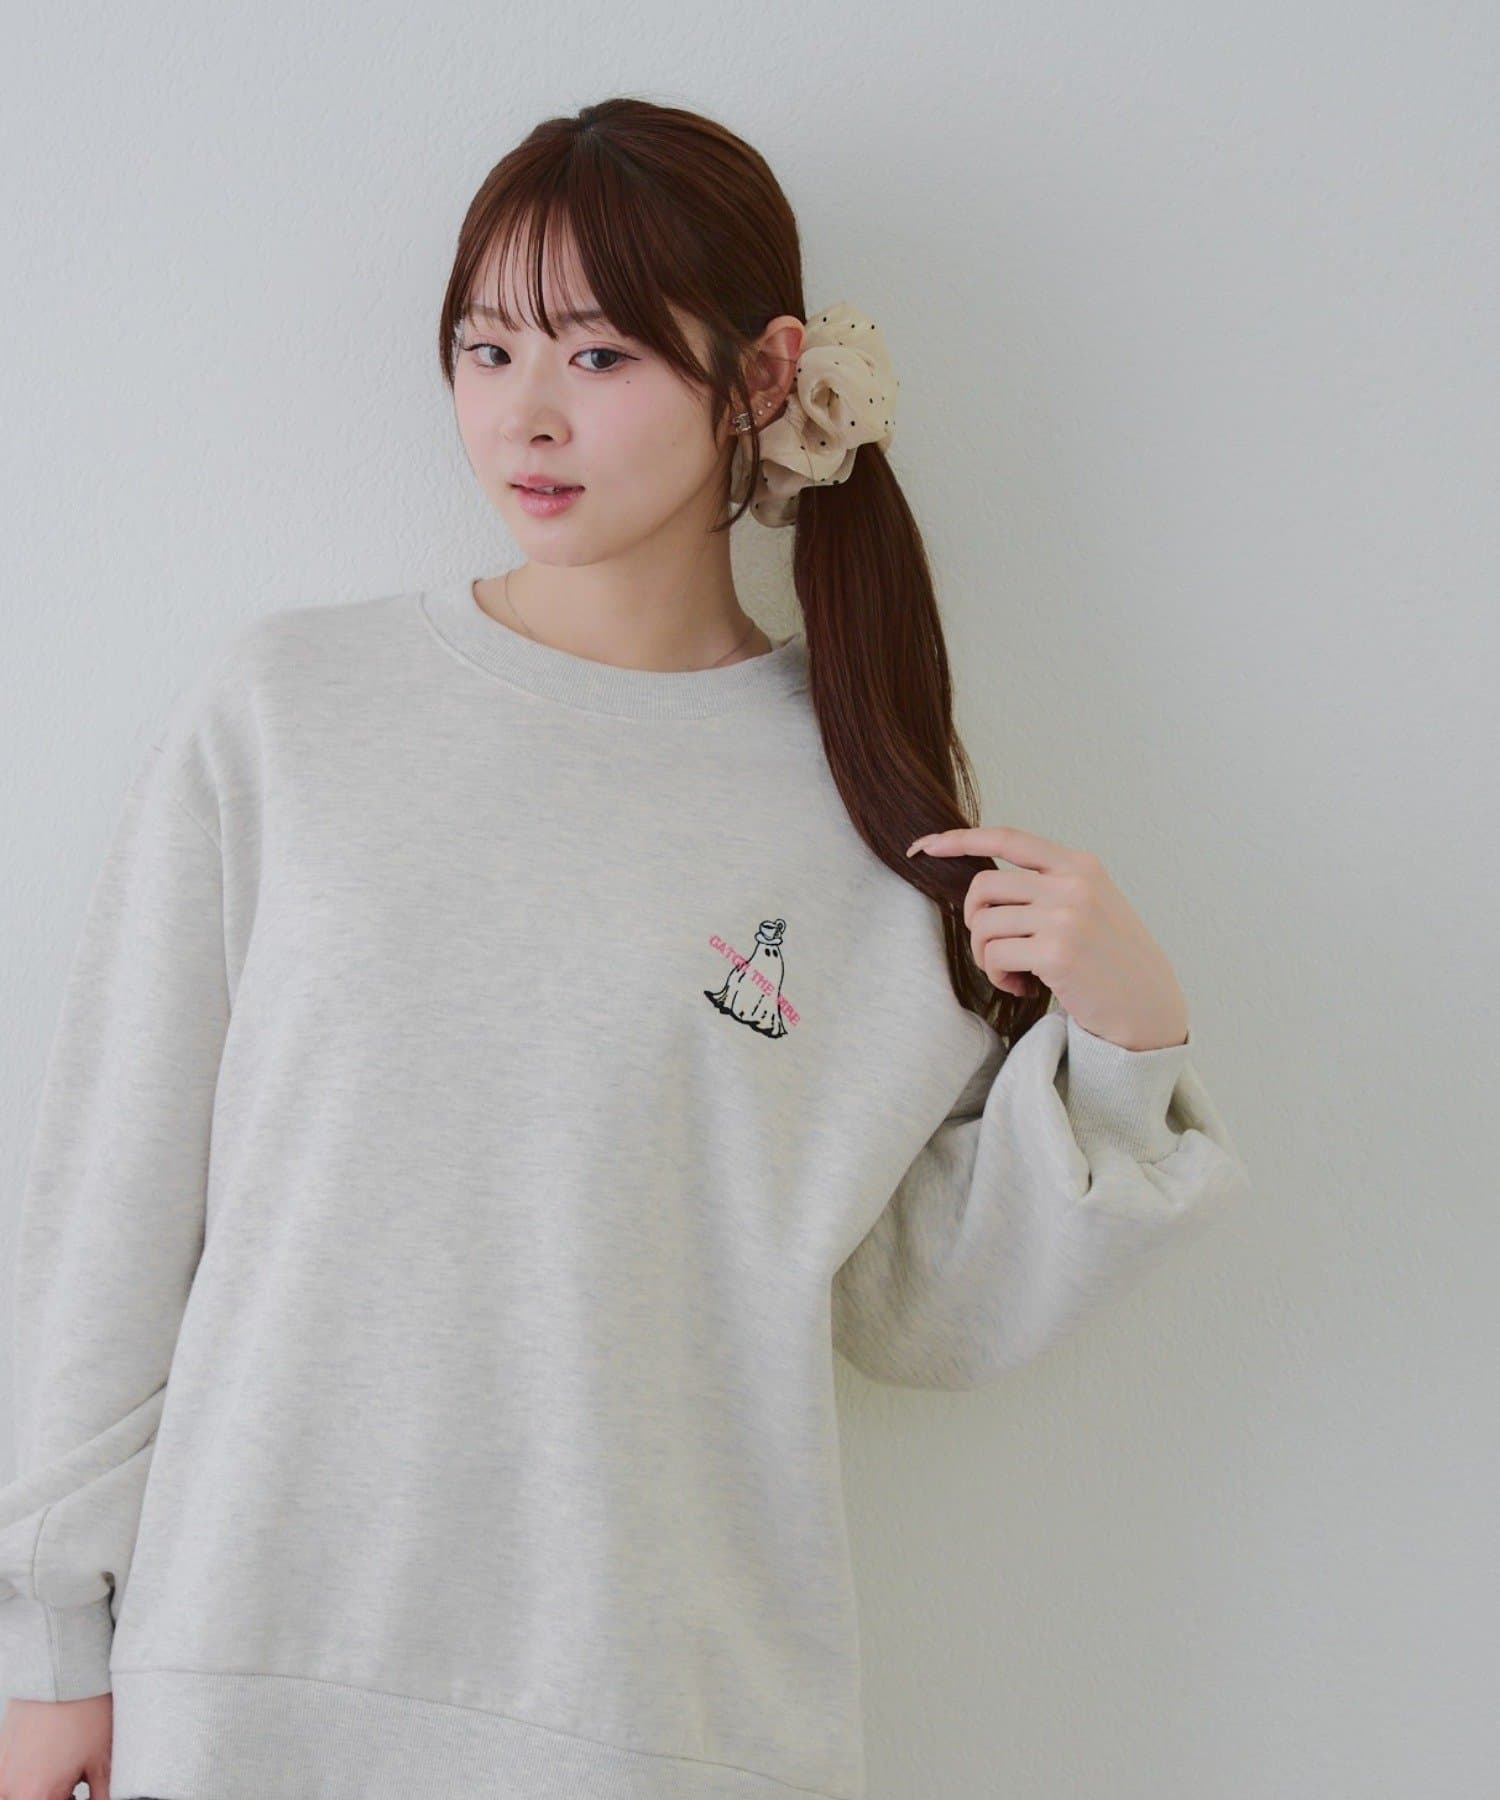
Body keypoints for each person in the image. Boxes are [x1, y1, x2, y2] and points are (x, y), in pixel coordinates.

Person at [0, 95, 1251, 1800]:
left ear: (762, 375)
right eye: (487, 348)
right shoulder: (295, 709)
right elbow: (117, 1194)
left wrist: (1125, 1052)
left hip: (656, 1713)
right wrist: (51, 1648)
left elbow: (925, 1308)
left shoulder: (865, 808)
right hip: (251, 1678)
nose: (526, 412)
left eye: (597, 355)